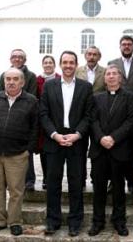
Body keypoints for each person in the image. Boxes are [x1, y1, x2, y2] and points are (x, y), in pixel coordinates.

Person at [39, 51, 94, 237]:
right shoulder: (49, 86)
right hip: (54, 140)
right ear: (60, 65)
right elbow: (43, 113)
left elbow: (89, 115)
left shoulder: (86, 87)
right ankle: (52, 221)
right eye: (65, 62)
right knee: (53, 183)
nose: (68, 65)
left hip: (76, 141)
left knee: (76, 183)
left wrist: (77, 134)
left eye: (72, 62)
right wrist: (54, 134)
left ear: (76, 64)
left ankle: (75, 222)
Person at [0, 67, 38, 236]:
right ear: (4, 81)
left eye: (15, 79)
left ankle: (14, 221)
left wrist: (29, 150)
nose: (11, 82)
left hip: (18, 154)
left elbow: (35, 128)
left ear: (22, 82)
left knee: (16, 190)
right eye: (8, 79)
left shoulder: (31, 101)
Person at [87, 64, 133, 237]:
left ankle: (119, 222)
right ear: (104, 78)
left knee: (118, 188)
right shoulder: (96, 97)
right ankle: (97, 222)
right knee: (99, 189)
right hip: (100, 150)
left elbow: (130, 122)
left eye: (115, 74)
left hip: (119, 149)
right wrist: (101, 138)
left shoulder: (130, 97)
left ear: (120, 78)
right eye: (108, 74)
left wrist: (113, 138)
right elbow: (93, 121)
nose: (111, 76)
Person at [108, 35, 133, 193]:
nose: (126, 47)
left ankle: (131, 181)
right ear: (120, 46)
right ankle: (113, 181)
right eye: (124, 44)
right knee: (114, 145)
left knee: (131, 145)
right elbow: (109, 82)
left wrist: (132, 98)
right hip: (116, 107)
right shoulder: (112, 63)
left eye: (129, 44)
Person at [0, 48, 38, 191]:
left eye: (20, 57)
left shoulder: (31, 76)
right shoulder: (4, 75)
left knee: (26, 153)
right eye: (14, 56)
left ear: (24, 60)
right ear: (10, 59)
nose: (17, 59)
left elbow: (32, 96)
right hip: (7, 117)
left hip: (24, 118)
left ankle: (29, 180)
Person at [75, 46, 106, 188]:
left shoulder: (105, 72)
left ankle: (96, 177)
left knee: (96, 148)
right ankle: (80, 178)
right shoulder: (77, 71)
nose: (92, 57)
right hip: (80, 115)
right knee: (80, 149)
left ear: (99, 57)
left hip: (98, 115)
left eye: (95, 54)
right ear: (85, 56)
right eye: (89, 54)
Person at [36, 55, 60, 190]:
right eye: (45, 62)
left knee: (55, 150)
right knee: (44, 150)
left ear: (54, 65)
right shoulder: (37, 80)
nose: (48, 65)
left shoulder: (60, 78)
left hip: (56, 119)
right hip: (42, 120)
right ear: (42, 65)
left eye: (50, 62)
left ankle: (54, 177)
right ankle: (46, 177)